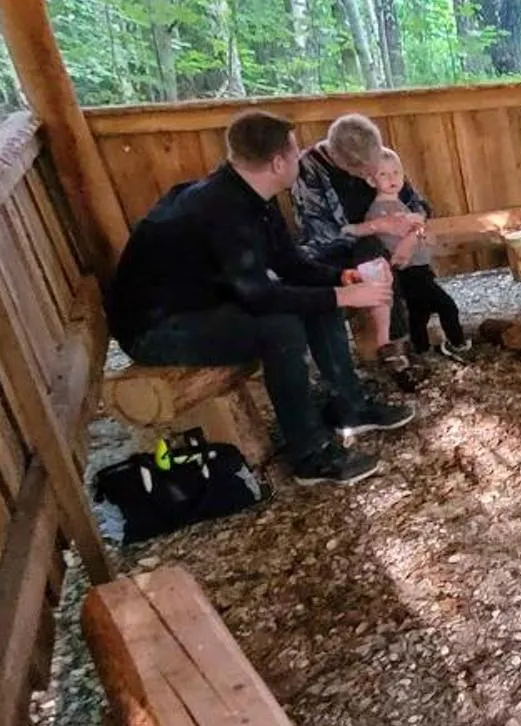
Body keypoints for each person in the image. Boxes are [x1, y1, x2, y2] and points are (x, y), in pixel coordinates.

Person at [108, 108, 411, 486]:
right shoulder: (221, 210)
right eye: (294, 151)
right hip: (158, 328)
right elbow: (261, 298)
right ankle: (310, 454)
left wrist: (340, 278)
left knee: (321, 296)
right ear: (277, 162)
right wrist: (344, 296)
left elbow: (289, 262)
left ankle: (350, 408)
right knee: (281, 329)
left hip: (204, 302)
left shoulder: (251, 195)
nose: (300, 157)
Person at [294, 113, 470, 363]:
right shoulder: (310, 169)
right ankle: (390, 346)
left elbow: (418, 206)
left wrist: (411, 238)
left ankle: (413, 341)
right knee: (374, 257)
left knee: (411, 274)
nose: (373, 173)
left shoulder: (376, 154)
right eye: (366, 170)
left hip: (398, 246)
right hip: (342, 253)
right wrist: (377, 226)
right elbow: (322, 234)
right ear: (342, 162)